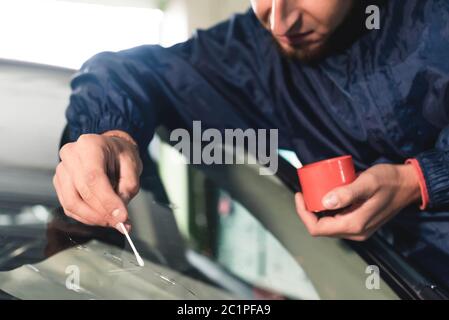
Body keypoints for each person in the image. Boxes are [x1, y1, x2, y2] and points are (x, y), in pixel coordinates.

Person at [54, 0, 449, 282]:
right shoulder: (253, 53)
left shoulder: (435, 23)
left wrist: (418, 181)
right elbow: (127, 73)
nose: (278, 20)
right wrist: (112, 133)